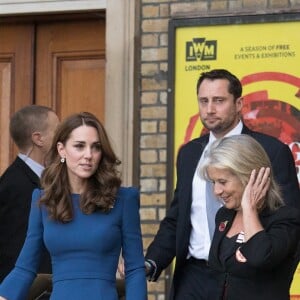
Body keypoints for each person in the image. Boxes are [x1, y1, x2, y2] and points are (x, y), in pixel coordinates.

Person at [144, 69, 300, 299]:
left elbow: (290, 226)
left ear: (239, 104)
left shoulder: (271, 152)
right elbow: (178, 217)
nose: (209, 109)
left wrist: (273, 286)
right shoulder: (189, 154)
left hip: (247, 278)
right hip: (193, 276)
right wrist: (152, 261)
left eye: (219, 100)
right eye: (203, 101)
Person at [0, 112, 147, 300]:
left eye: (96, 147)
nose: (88, 155)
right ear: (61, 150)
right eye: (79, 146)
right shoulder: (43, 201)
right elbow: (25, 268)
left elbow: (134, 269)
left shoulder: (124, 200)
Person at [200, 134, 300, 300]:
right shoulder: (224, 215)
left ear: (248, 176)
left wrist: (249, 209)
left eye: (223, 182)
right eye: (213, 182)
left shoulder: (286, 218)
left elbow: (260, 257)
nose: (216, 191)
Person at [0, 105, 59, 299]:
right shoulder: (16, 185)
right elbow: (15, 251)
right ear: (38, 138)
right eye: (57, 131)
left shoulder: (45, 178)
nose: (63, 138)